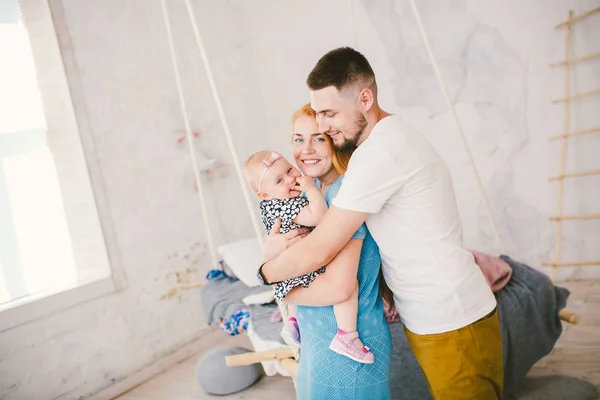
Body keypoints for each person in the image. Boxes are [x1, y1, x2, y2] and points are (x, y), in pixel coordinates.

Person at [256, 47, 504, 399]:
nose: (323, 125)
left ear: (365, 98)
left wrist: (267, 272)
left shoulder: (380, 153)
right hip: (433, 313)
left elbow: (322, 246)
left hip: (451, 314)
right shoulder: (385, 140)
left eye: (328, 114)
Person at [262, 103, 392, 399]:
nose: (306, 149)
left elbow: (339, 287)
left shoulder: (346, 193)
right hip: (317, 339)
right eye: (298, 139)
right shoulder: (314, 192)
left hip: (351, 343)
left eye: (318, 138)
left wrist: (277, 284)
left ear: (336, 140)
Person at [243, 150, 374, 363]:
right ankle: (346, 334)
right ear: (265, 194)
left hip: (289, 270)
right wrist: (311, 189)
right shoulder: (288, 204)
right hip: (299, 269)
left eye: (288, 170)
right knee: (349, 288)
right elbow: (320, 217)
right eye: (279, 180)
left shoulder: (269, 206)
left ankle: (293, 321)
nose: (290, 179)